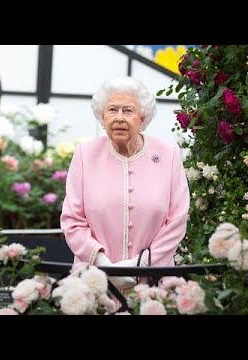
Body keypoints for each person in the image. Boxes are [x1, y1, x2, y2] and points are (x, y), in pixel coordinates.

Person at [60, 76, 190, 289]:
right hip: (95, 281)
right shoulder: (85, 154)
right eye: (112, 110)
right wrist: (104, 266)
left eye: (128, 111)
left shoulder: (169, 155)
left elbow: (177, 220)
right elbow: (72, 221)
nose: (119, 118)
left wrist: (138, 265)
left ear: (143, 117)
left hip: (154, 283)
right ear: (102, 117)